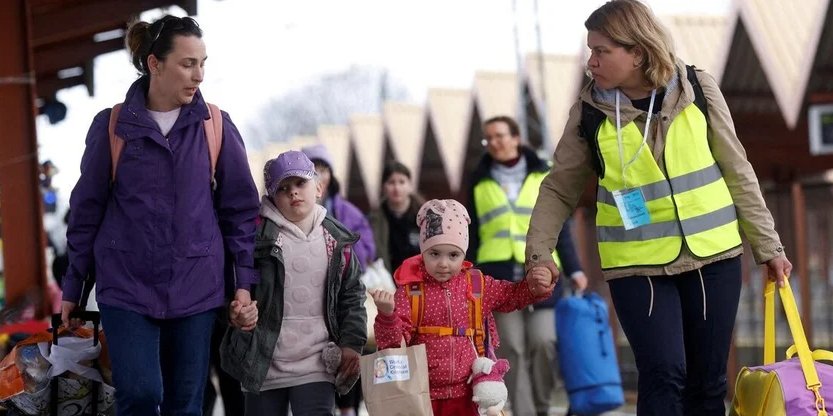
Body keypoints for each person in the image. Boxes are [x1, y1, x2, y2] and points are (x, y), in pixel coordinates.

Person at [524, 1, 793, 414]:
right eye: (589, 50)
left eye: (601, 51)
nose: (590, 61)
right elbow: (558, 189)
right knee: (664, 372)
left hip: (714, 254)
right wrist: (539, 256)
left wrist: (769, 246)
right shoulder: (589, 114)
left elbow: (737, 168)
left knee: (708, 381)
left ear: (637, 51)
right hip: (637, 266)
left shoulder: (698, 90)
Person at [60, 15, 260, 416]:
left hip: (196, 286)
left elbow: (240, 212)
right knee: (140, 391)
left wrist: (243, 285)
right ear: (155, 64)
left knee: (185, 404)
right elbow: (86, 212)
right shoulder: (112, 126)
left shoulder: (215, 125)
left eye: (203, 63)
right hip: (125, 285)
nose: (199, 74)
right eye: (188, 63)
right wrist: (72, 288)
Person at [371, 199, 556, 416]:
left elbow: (512, 296)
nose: (443, 263)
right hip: (423, 398)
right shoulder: (410, 292)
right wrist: (387, 315)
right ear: (422, 252)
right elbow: (392, 348)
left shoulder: (477, 285)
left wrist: (535, 285)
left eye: (453, 255)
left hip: (470, 396)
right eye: (434, 253)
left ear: (464, 254)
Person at [220, 150, 367, 416]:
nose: (293, 193)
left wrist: (351, 343)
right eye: (283, 188)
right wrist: (236, 312)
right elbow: (235, 283)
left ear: (319, 187)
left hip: (316, 364)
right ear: (272, 198)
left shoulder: (337, 241)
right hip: (263, 362)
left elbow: (352, 294)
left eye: (301, 183)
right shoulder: (256, 239)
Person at [467, 115, 588, 416]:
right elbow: (472, 234)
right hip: (498, 279)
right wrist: (467, 274)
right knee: (513, 350)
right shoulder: (478, 180)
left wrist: (575, 269)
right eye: (488, 138)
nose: (494, 142)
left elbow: (560, 226)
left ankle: (542, 407)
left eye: (499, 135)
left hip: (543, 273)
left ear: (516, 137)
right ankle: (524, 413)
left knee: (544, 342)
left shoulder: (542, 175)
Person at [302, 144, 376, 270]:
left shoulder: (349, 212)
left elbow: (368, 248)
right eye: (314, 171)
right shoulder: (294, 209)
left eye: (324, 170)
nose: (319, 176)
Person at [368, 160, 425, 272]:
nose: (396, 188)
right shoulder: (375, 219)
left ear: (410, 186)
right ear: (383, 187)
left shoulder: (425, 215)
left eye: (402, 182)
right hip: (389, 281)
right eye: (391, 182)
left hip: (422, 279)